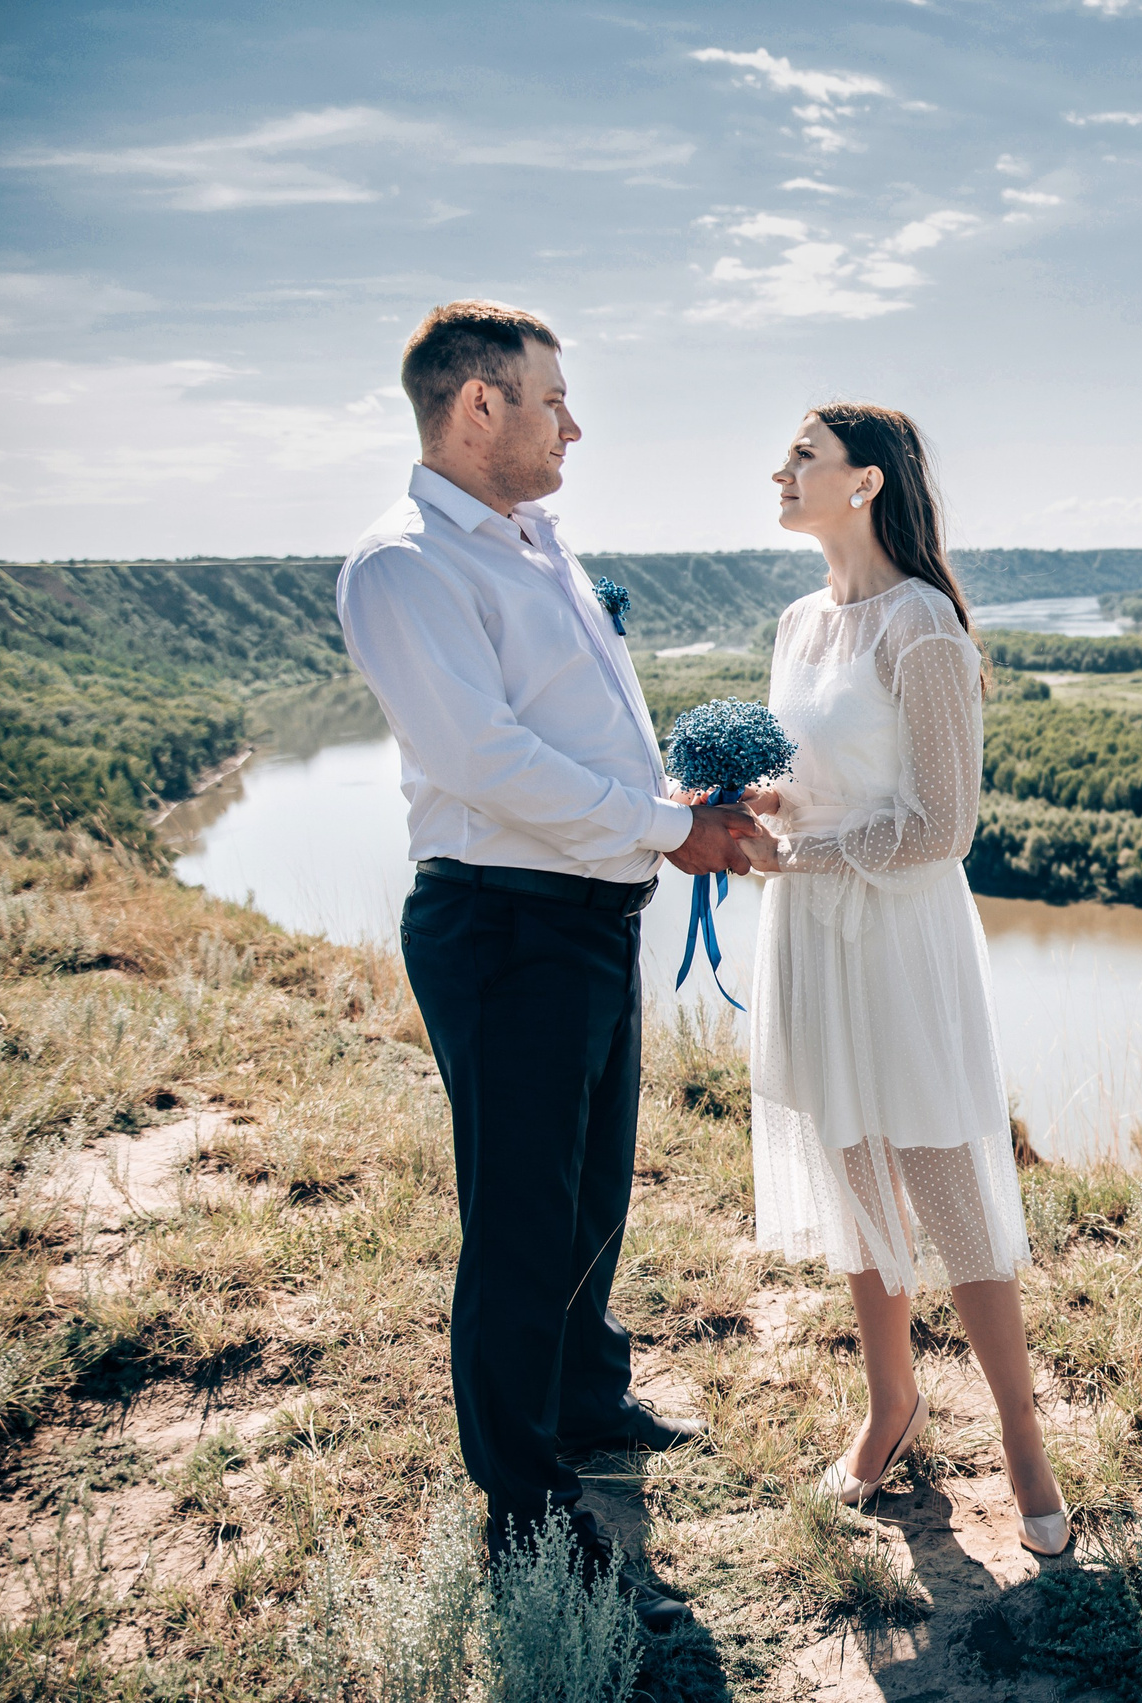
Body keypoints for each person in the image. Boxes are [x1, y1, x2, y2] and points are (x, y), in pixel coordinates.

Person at [336, 300, 757, 1630]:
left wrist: (669, 792)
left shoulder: (534, 545)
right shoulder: (404, 565)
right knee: (519, 1221)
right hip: (506, 922)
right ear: (478, 406)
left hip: (583, 913)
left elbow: (570, 730)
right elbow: (486, 763)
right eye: (552, 398)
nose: (573, 421)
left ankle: (587, 1400)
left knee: (587, 1192)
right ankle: (526, 1501)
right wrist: (670, 828)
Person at [729, 401, 1067, 1556]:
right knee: (853, 1164)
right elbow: (816, 777)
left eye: (802, 456)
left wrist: (804, 852)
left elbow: (943, 824)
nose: (779, 470)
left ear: (866, 482)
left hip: (897, 932)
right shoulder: (795, 621)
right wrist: (750, 808)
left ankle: (1022, 1434)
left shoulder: (922, 625)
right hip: (811, 932)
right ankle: (891, 1407)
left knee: (942, 1174)